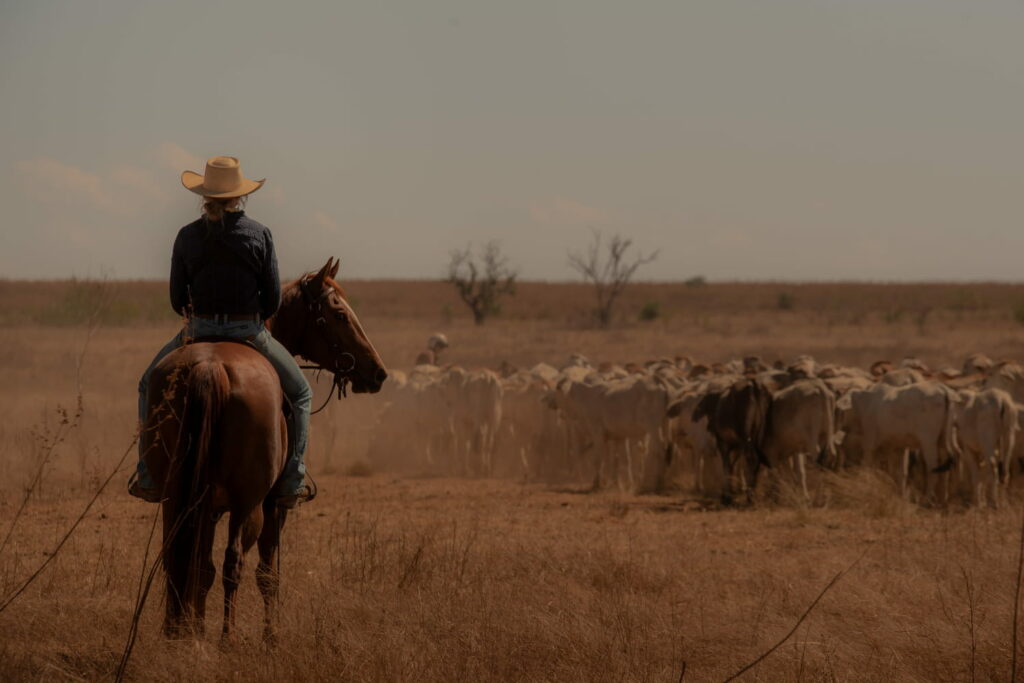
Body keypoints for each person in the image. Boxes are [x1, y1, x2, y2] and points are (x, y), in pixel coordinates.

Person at [129, 156, 313, 508]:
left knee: (145, 384)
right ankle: (293, 479)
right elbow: (272, 299)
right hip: (249, 332)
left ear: (205, 195)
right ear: (240, 197)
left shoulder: (186, 235)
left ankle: (148, 475)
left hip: (196, 330)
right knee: (301, 394)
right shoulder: (260, 233)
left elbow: (175, 297)